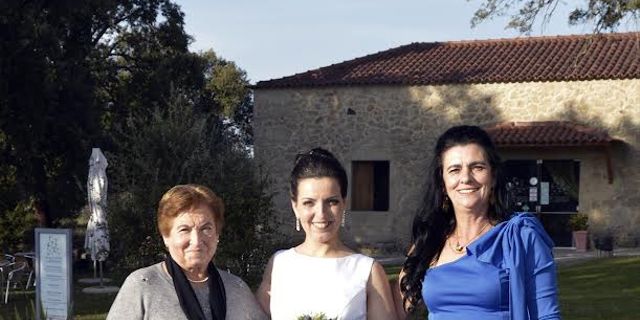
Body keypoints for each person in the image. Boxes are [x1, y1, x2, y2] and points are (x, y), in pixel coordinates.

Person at [397, 125, 561, 320]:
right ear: (442, 183)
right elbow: (397, 308)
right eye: (454, 170)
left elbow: (547, 316)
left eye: (477, 167)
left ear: (493, 177)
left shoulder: (520, 235)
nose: (466, 178)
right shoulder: (429, 242)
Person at [256, 147, 397, 320]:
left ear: (344, 204)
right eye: (309, 202)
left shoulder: (367, 271)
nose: (321, 213)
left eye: (332, 201)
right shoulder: (278, 264)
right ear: (295, 206)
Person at [107, 184, 266, 320]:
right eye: (184, 229)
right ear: (166, 237)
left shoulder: (236, 288)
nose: (196, 240)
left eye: (206, 229)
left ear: (217, 234)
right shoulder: (143, 285)